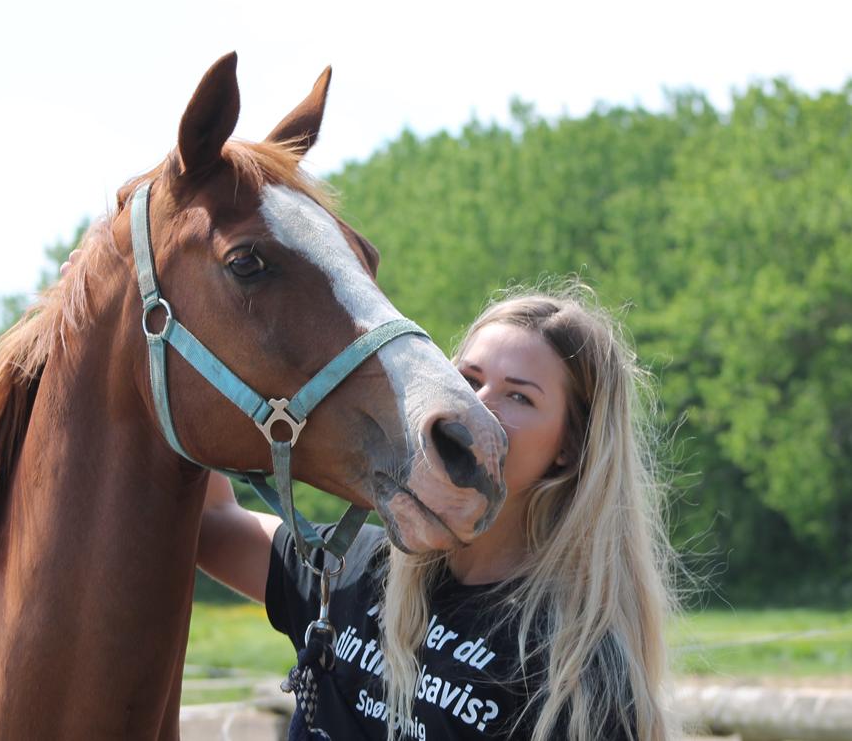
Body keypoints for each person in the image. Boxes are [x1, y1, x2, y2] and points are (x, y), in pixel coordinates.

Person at [198, 282, 675, 741]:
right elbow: (212, 525)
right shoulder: (358, 570)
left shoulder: (576, 665)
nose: (476, 406)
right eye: (469, 380)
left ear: (569, 447)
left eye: (519, 396)